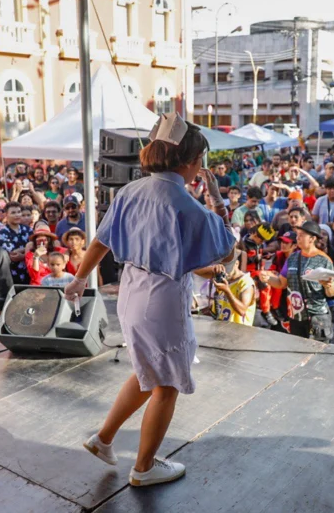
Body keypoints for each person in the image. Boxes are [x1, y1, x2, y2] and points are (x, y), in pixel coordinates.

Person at [67, 116, 235, 487]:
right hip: (162, 302)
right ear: (191, 163)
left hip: (130, 293)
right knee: (167, 384)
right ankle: (143, 467)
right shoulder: (187, 205)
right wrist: (218, 201)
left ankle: (104, 438)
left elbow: (100, 241)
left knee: (147, 371)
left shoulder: (130, 191)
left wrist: (80, 279)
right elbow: (227, 251)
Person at [260, 220, 334, 341]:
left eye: (301, 235)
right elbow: (281, 283)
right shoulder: (292, 258)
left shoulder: (324, 260)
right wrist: (268, 278)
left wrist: (329, 285)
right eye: (297, 235)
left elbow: (332, 293)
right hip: (295, 316)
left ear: (312, 239)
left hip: (317, 317)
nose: (298, 238)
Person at [198, 257, 256, 325]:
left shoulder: (246, 283)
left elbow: (242, 311)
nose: (225, 273)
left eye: (228, 269)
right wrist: (213, 269)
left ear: (236, 264)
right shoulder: (221, 276)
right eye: (223, 268)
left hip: (239, 332)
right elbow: (194, 270)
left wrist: (227, 291)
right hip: (221, 328)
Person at [0, 202, 33, 285]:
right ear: (6, 214)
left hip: (29, 273)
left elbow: (35, 249)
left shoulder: (28, 230)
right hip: (11, 274)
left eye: (19, 212)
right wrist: (28, 249)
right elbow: (14, 255)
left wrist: (24, 254)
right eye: (13, 213)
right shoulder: (3, 232)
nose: (17, 215)